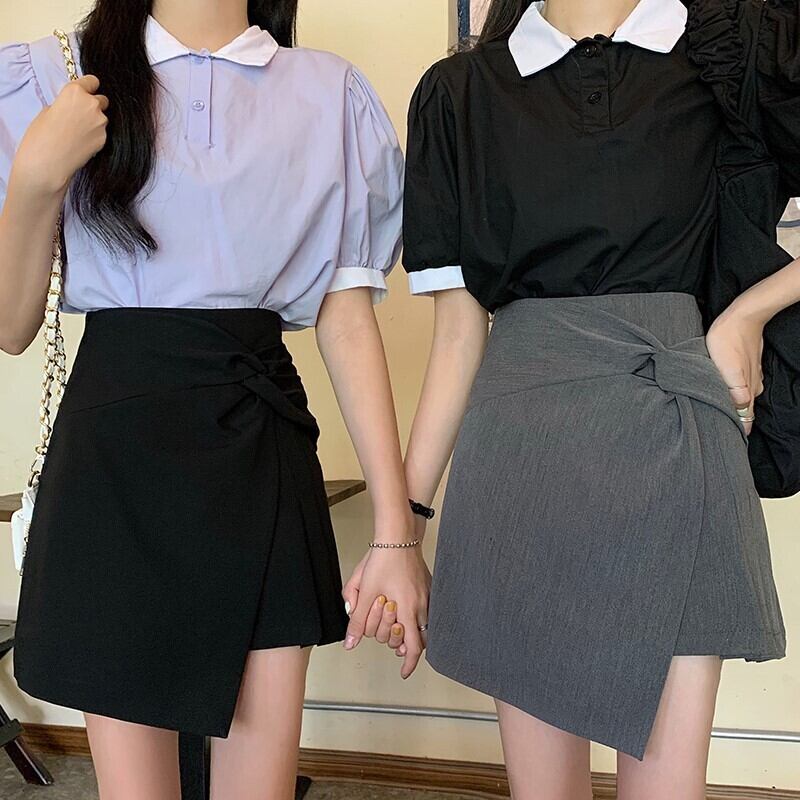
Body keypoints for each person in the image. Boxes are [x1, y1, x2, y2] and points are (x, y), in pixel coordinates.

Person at [0, 2, 429, 798]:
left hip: (259, 449)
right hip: (115, 462)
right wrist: (33, 178)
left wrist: (396, 532)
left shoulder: (328, 94)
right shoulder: (54, 74)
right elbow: (11, 325)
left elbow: (346, 320)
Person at [401, 0, 798, 798]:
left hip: (679, 438)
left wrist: (750, 312)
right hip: (523, 461)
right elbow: (457, 335)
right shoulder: (460, 93)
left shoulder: (736, 51)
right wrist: (400, 529)